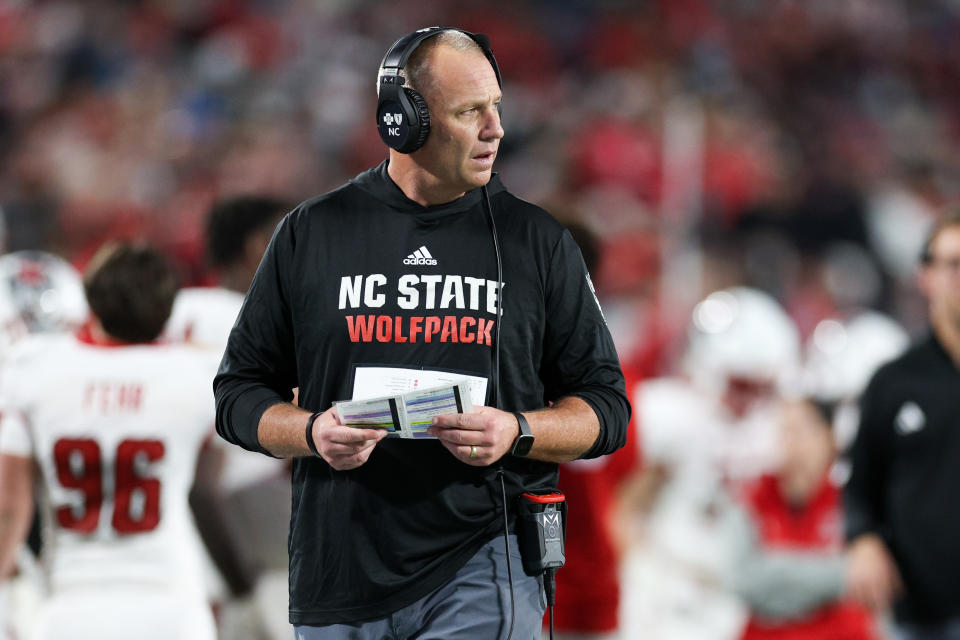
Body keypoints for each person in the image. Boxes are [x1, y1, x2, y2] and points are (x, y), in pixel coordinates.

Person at [213, 26, 630, 640]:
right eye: (470, 112)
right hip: (339, 575)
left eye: (497, 106)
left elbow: (608, 409)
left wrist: (517, 430)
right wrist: (310, 431)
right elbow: (237, 396)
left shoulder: (536, 243)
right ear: (403, 120)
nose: (496, 129)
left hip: (485, 561)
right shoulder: (313, 233)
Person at [0, 243, 223, 640]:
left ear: (91, 300)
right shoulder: (195, 374)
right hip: (170, 605)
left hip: (71, 605)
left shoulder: (33, 371)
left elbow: (8, 508)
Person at [618, 286, 801, 640]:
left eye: (763, 388)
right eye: (743, 385)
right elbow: (625, 506)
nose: (752, 401)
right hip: (664, 583)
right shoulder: (672, 413)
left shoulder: (780, 429)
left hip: (736, 589)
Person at [166, 195, 293, 640]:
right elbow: (207, 480)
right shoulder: (252, 321)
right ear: (258, 243)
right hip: (238, 538)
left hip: (158, 542)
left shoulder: (171, 307)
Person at [845, 210, 960, 639]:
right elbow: (860, 484)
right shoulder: (894, 382)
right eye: (952, 264)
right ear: (925, 277)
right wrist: (864, 541)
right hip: (920, 612)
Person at [734, 397, 877, 640]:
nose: (791, 443)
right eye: (784, 431)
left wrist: (777, 581)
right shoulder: (752, 498)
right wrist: (837, 576)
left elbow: (867, 580)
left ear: (829, 439)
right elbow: (743, 579)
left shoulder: (855, 506)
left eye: (801, 431)